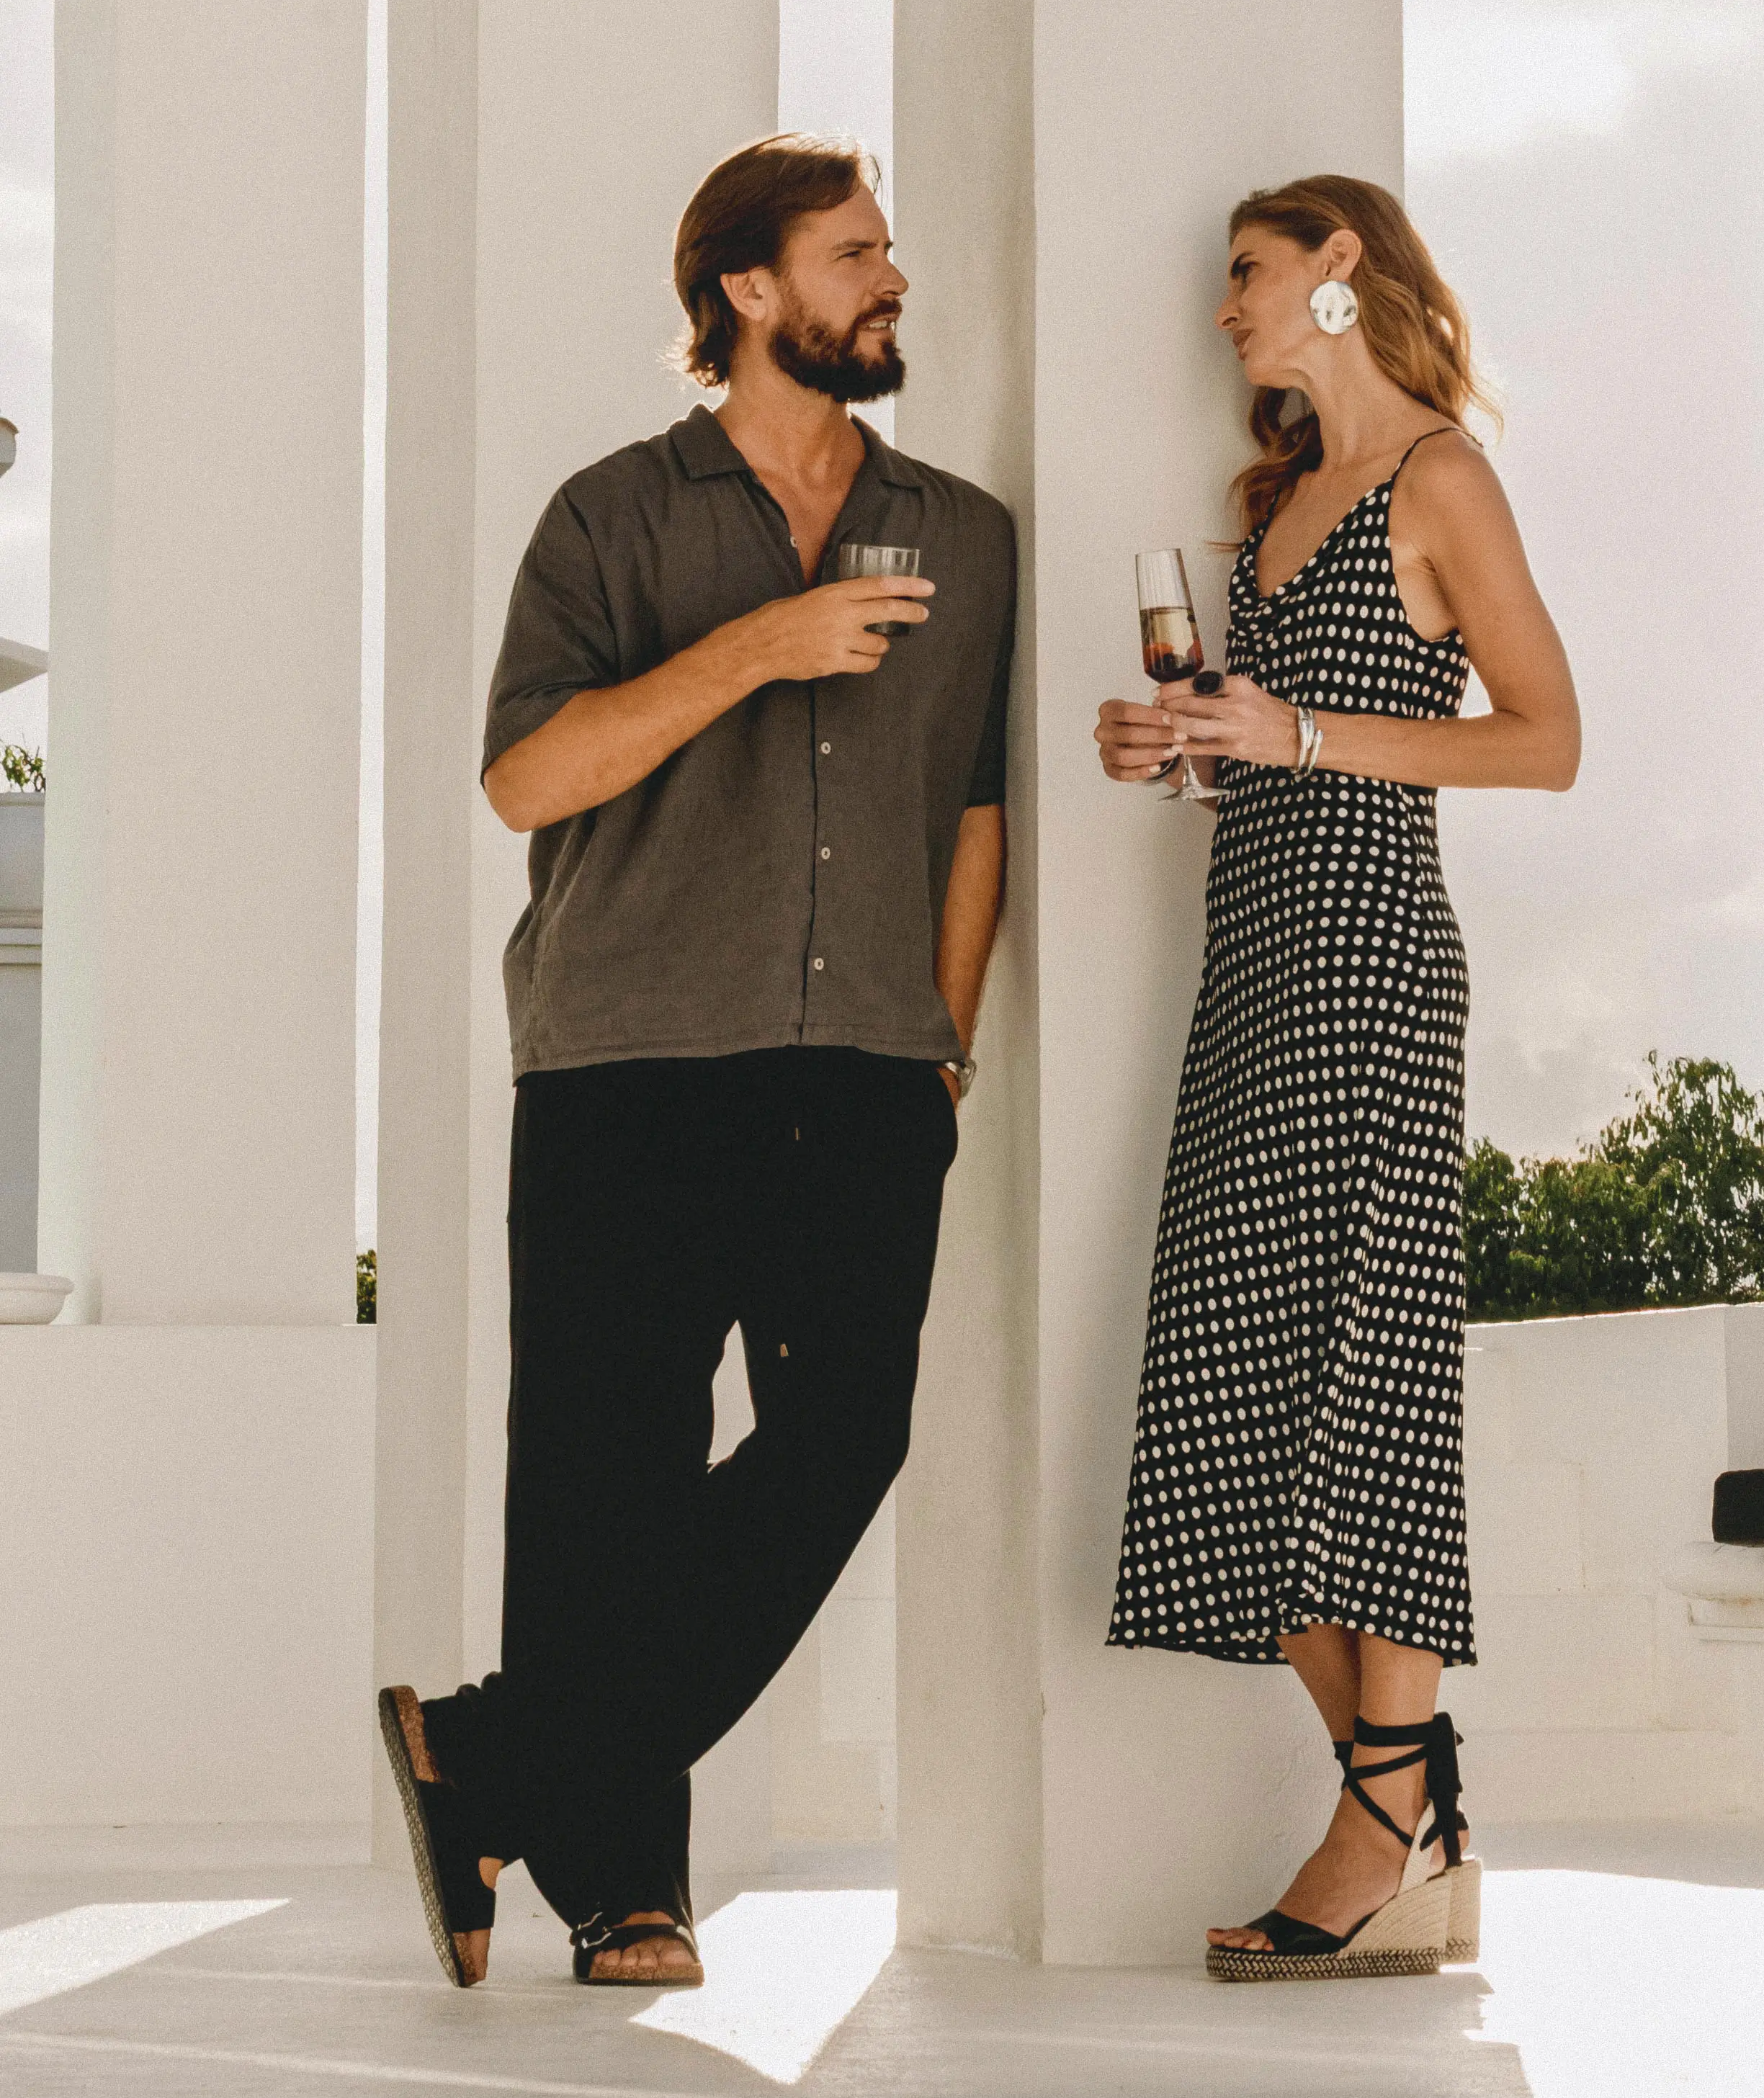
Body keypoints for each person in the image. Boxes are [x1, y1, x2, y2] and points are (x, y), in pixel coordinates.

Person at [377, 138, 1013, 1991]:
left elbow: (975, 807)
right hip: (628, 1055)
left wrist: (945, 1034)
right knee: (604, 1472)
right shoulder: (608, 521)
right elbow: (524, 781)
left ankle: (489, 1755)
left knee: (843, 1442)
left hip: (873, 1065)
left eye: (890, 250)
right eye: (858, 251)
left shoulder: (965, 534)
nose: (894, 279)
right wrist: (758, 649)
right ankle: (622, 1887)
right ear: (749, 289)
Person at [1096, 175, 1579, 1979]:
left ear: (1337, 271)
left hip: (1376, 968)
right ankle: (1409, 1794)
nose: (1223, 307)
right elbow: (1271, 755)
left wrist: (1289, 727)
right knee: (1221, 1399)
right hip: (1253, 972)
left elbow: (1547, 740)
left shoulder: (1434, 480)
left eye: (1246, 273)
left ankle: (1380, 1831)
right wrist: (1179, 741)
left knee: (1366, 1392)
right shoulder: (1278, 506)